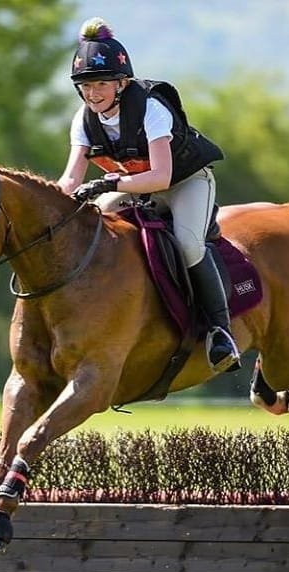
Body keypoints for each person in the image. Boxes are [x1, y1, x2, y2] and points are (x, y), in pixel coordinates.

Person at [57, 17, 240, 373]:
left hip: (186, 183)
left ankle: (221, 332)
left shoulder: (150, 109)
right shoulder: (83, 120)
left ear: (122, 83)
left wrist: (109, 184)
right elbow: (71, 178)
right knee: (97, 224)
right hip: (136, 186)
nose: (93, 93)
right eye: (86, 85)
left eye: (101, 84)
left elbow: (161, 176)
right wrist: (46, 205)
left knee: (188, 244)